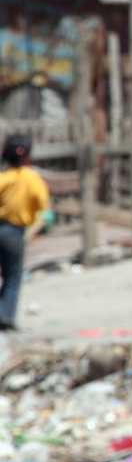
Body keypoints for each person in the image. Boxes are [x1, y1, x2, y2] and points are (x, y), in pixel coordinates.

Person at [0, 134, 50, 331]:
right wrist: (32, 233)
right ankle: (5, 317)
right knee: (13, 276)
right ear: (28, 157)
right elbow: (44, 212)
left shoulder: (3, 178)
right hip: (14, 232)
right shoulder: (32, 179)